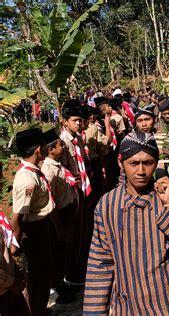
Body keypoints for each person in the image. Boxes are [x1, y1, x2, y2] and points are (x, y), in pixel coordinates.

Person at [83, 130, 169, 315]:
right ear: (121, 163)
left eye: (147, 163)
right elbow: (100, 264)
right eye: (134, 163)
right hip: (128, 306)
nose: (140, 171)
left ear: (156, 163)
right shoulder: (107, 205)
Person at [10, 128, 54, 316]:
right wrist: (14, 248)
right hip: (34, 233)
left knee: (43, 278)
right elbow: (17, 217)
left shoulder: (35, 173)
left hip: (42, 228)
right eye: (44, 146)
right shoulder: (27, 180)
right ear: (38, 149)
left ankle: (40, 310)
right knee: (36, 280)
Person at [40, 128, 78, 301]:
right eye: (59, 144)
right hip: (60, 215)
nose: (62, 146)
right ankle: (56, 287)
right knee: (59, 251)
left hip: (67, 211)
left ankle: (63, 282)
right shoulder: (49, 170)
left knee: (66, 250)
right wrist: (59, 226)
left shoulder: (57, 165)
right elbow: (51, 202)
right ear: (51, 150)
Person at [59, 101, 91, 286]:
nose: (79, 123)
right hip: (71, 191)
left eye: (80, 120)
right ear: (65, 122)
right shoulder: (62, 142)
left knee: (82, 228)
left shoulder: (78, 138)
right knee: (74, 231)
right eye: (75, 120)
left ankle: (79, 262)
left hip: (83, 187)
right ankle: (71, 271)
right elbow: (61, 168)